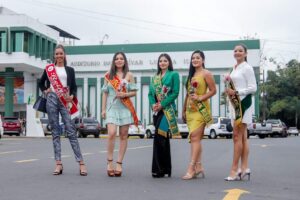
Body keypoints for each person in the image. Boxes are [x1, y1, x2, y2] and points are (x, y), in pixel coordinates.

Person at [39, 44, 87, 176]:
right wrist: (46, 90)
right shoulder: (49, 69)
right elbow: (40, 82)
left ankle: (81, 163)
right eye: (57, 54)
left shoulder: (70, 70)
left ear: (64, 55)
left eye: (61, 53)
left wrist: (72, 96)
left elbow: (75, 87)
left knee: (71, 131)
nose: (59, 56)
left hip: (65, 100)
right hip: (52, 100)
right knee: (55, 132)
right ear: (54, 56)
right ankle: (58, 163)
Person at [101, 52, 138, 177]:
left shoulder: (129, 75)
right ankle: (109, 162)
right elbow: (105, 93)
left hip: (125, 107)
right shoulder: (108, 75)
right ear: (114, 61)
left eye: (121, 58)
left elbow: (134, 92)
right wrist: (103, 110)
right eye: (116, 58)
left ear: (125, 61)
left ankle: (119, 163)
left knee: (123, 135)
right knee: (111, 133)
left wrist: (125, 94)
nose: (119, 60)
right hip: (112, 107)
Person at [224, 44, 257, 181]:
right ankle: (244, 168)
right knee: (242, 137)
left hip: (243, 104)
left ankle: (234, 170)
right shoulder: (235, 67)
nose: (237, 52)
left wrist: (237, 92)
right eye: (235, 50)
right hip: (235, 105)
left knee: (236, 137)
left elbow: (253, 88)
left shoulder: (247, 68)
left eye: (240, 51)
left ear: (245, 53)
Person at [182, 50, 216, 180]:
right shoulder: (191, 75)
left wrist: (201, 97)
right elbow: (188, 94)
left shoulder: (206, 73)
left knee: (195, 138)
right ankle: (199, 166)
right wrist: (184, 109)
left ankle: (191, 168)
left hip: (201, 110)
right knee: (194, 139)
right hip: (190, 111)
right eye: (193, 58)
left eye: (197, 58)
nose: (195, 60)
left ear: (203, 60)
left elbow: (213, 90)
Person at [148, 53, 180, 178]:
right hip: (157, 110)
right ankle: (166, 168)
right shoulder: (155, 77)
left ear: (169, 62)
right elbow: (150, 94)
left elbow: (175, 93)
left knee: (159, 138)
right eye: (160, 61)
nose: (162, 63)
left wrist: (162, 104)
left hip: (168, 110)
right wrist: (153, 105)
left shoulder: (174, 75)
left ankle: (159, 169)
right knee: (163, 139)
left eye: (165, 61)